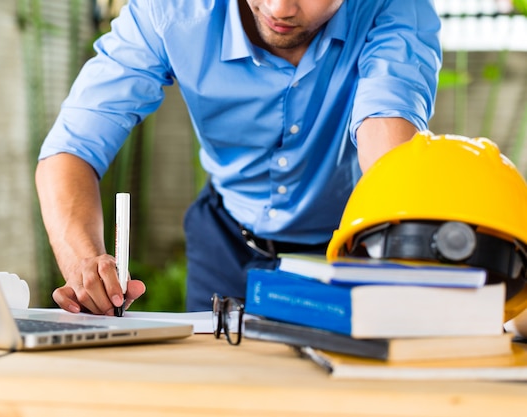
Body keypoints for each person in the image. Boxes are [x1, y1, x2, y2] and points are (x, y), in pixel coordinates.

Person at [35, 0, 442, 314]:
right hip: (225, 237)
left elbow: (387, 122)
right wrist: (86, 265)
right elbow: (73, 146)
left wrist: (406, 246)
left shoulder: (395, 8)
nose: (281, 8)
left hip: (347, 247)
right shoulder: (171, 11)